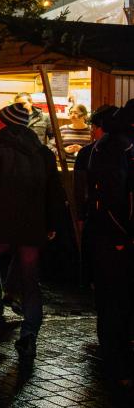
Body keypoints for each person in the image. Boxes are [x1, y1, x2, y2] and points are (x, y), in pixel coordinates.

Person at [0, 103, 67, 363]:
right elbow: (54, 191)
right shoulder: (42, 152)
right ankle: (29, 333)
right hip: (32, 226)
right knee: (30, 280)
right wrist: (52, 223)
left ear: (5, 123)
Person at [74, 105, 133, 382]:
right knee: (116, 300)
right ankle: (116, 365)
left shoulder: (107, 148)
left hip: (109, 234)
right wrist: (120, 234)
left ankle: (115, 361)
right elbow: (111, 196)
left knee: (111, 300)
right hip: (114, 236)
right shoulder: (118, 148)